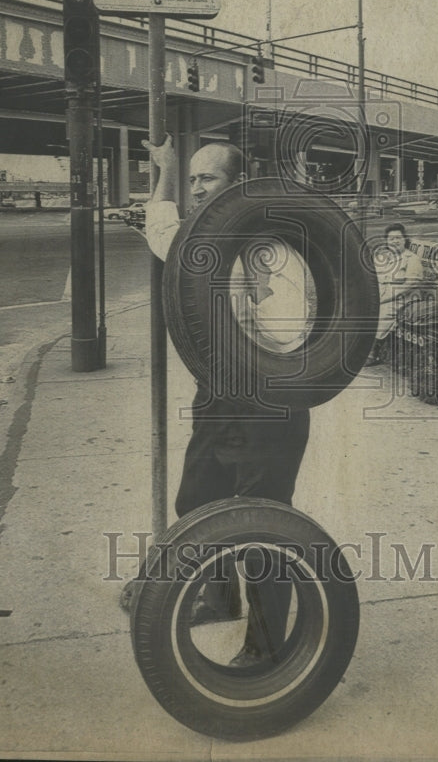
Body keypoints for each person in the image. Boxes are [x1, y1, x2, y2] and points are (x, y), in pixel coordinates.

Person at [142, 135, 311, 668]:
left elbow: (291, 331)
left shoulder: (273, 245)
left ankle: (265, 648)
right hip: (218, 396)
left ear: (238, 184)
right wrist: (167, 170)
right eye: (193, 181)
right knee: (198, 502)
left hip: (270, 399)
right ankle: (219, 597)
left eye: (207, 178)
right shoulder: (206, 241)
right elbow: (162, 231)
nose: (197, 190)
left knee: (261, 525)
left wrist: (254, 293)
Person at [367, 222, 430, 365]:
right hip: (384, 295)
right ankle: (359, 348)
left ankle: (373, 353)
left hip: (404, 298)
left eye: (398, 238)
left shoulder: (411, 259)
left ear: (404, 240)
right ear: (387, 241)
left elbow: (411, 284)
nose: (395, 241)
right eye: (391, 239)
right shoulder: (385, 259)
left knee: (382, 312)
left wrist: (384, 299)